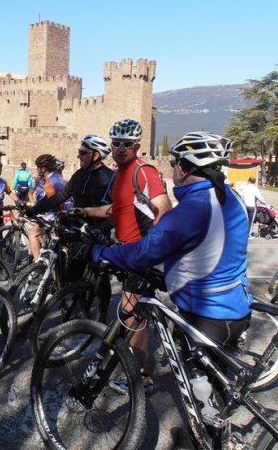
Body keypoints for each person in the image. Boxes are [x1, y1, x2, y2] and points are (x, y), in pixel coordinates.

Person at [86, 133, 252, 444]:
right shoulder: (233, 198)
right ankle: (206, 437)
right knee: (211, 390)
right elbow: (211, 248)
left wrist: (100, 253)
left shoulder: (192, 209)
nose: (173, 168)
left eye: (175, 162)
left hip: (206, 313)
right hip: (237, 306)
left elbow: (144, 252)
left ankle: (212, 439)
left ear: (185, 168)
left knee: (199, 386)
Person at [73, 119, 172, 393]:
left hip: (140, 255)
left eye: (127, 144)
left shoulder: (143, 171)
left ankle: (143, 379)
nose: (120, 148)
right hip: (128, 252)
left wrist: (150, 248)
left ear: (137, 146)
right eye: (116, 143)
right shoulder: (120, 174)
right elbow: (114, 210)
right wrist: (82, 212)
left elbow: (164, 209)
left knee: (131, 318)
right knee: (135, 314)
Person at [25, 134, 114, 236]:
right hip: (76, 230)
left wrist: (99, 230)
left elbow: (119, 211)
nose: (78, 156)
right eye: (79, 152)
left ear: (96, 155)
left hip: (98, 236)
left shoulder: (110, 178)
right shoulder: (79, 174)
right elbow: (61, 196)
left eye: (82, 153)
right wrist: (33, 210)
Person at [25, 154, 67, 259]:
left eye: (38, 167)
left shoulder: (49, 182)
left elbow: (50, 202)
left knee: (32, 233)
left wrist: (33, 210)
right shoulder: (59, 178)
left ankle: (38, 263)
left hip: (58, 215)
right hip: (69, 213)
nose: (37, 170)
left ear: (43, 169)